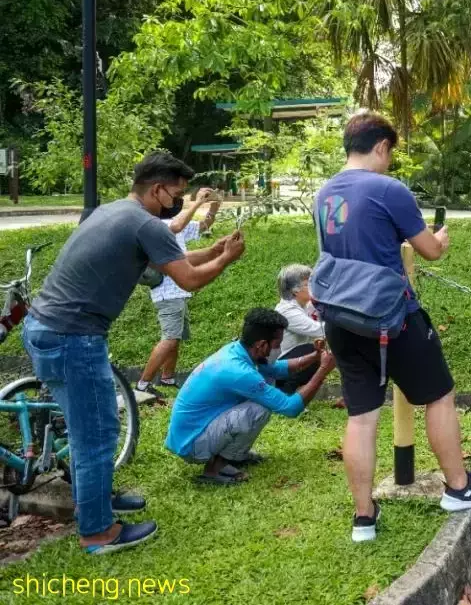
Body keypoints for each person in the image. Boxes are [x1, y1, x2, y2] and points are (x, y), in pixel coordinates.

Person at [21, 151, 246, 555]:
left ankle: (98, 500)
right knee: (97, 436)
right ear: (158, 190)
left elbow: (170, 264)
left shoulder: (114, 212)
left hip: (45, 326)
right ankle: (97, 533)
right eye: (176, 192)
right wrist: (227, 261)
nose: (180, 199)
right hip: (73, 337)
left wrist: (213, 251)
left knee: (92, 425)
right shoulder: (146, 223)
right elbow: (188, 280)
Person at [316, 110, 471, 544]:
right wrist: (438, 241)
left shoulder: (324, 193)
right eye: (389, 153)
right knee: (439, 395)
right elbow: (429, 251)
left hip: (340, 318)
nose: (388, 161)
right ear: (381, 146)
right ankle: (459, 488)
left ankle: (363, 518)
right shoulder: (389, 189)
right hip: (391, 318)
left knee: (361, 417)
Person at [165, 308, 334, 484]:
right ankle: (214, 470)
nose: (278, 349)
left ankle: (234, 455)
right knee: (259, 408)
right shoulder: (239, 372)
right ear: (261, 345)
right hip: (192, 444)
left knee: (262, 391)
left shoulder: (236, 350)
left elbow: (276, 369)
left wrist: (315, 356)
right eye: (277, 345)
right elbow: (290, 408)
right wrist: (323, 370)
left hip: (191, 434)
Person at [137, 187, 221, 395]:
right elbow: (177, 224)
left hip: (179, 291)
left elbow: (203, 226)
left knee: (176, 338)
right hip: (167, 292)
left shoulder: (179, 225)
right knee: (170, 338)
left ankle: (167, 378)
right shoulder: (160, 225)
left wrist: (215, 206)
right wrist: (198, 202)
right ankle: (143, 384)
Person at [272, 264, 333, 394]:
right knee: (314, 349)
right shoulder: (287, 311)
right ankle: (287, 391)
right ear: (295, 290)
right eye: (308, 284)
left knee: (318, 348)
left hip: (295, 360)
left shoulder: (303, 305)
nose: (313, 287)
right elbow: (320, 330)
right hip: (282, 366)